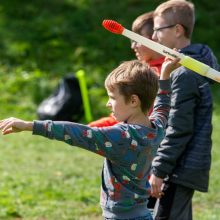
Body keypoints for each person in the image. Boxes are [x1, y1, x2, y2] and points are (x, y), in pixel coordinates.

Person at [0, 58, 180, 220]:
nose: (108, 103)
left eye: (112, 98)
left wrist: (30, 125)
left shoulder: (122, 137)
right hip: (142, 214)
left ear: (134, 101)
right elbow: (162, 106)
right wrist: (164, 76)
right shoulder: (156, 128)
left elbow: (76, 133)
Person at [149, 1, 220, 220]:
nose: (153, 37)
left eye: (158, 29)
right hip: (179, 166)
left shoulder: (185, 74)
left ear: (177, 30)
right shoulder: (184, 70)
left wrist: (159, 170)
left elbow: (178, 129)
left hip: (179, 168)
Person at [88, 11, 164, 127]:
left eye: (137, 40)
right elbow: (123, 112)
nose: (132, 46)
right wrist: (94, 126)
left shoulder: (160, 74)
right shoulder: (141, 70)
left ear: (155, 39)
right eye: (132, 40)